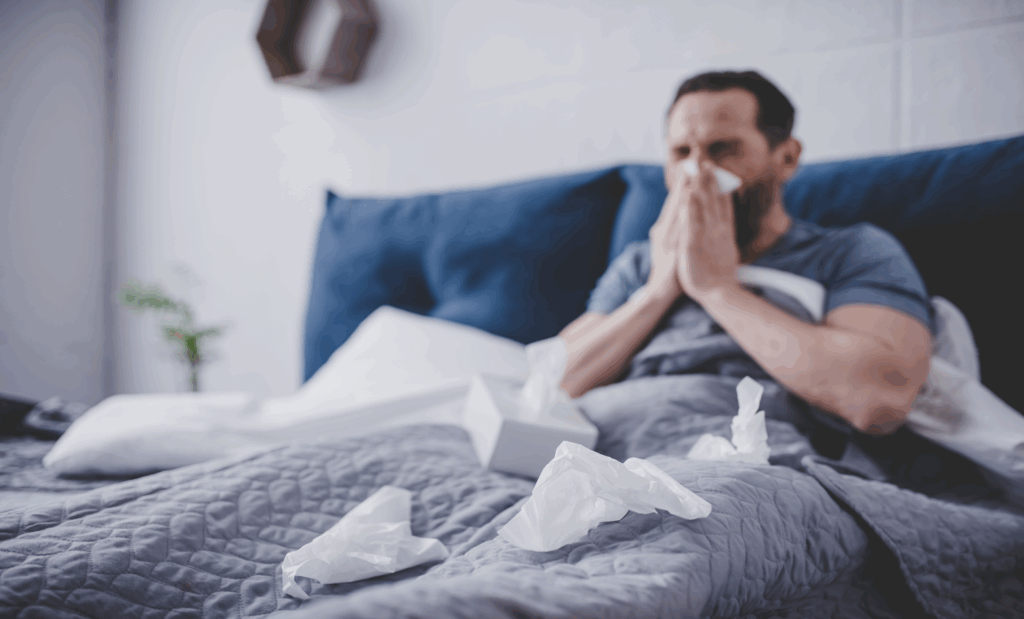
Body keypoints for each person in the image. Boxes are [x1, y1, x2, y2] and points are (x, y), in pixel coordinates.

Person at [557, 70, 934, 436]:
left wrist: (717, 290)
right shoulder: (641, 263)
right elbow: (551, 383)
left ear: (786, 157)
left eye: (722, 150)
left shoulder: (851, 251)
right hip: (600, 448)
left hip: (743, 451)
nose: (697, 173)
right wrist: (657, 292)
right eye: (681, 152)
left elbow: (879, 400)